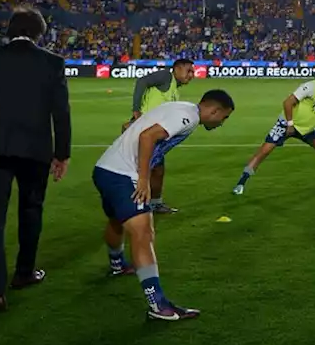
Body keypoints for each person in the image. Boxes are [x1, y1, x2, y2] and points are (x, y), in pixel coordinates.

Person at [0, 7, 71, 313]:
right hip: (35, 150)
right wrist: (62, 155)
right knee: (31, 209)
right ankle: (24, 273)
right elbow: (61, 114)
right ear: (39, 33)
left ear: (9, 30)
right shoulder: (52, 62)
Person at [94, 90, 235, 320]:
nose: (222, 123)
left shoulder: (182, 109)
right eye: (224, 117)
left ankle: (118, 264)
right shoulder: (188, 117)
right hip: (122, 175)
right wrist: (142, 178)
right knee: (143, 232)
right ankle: (159, 306)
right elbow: (147, 136)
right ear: (214, 110)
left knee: (118, 220)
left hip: (106, 169)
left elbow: (136, 126)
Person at [232, 65, 315, 194]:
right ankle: (241, 183)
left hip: (306, 129)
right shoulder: (311, 87)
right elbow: (287, 102)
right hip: (286, 124)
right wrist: (290, 124)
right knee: (264, 151)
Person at [124, 59, 195, 214]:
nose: (192, 75)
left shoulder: (175, 88)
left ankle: (155, 204)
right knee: (142, 170)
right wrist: (136, 109)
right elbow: (142, 81)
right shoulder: (166, 77)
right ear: (177, 68)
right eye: (189, 70)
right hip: (144, 132)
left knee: (158, 170)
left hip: (154, 134)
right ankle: (133, 204)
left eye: (193, 72)